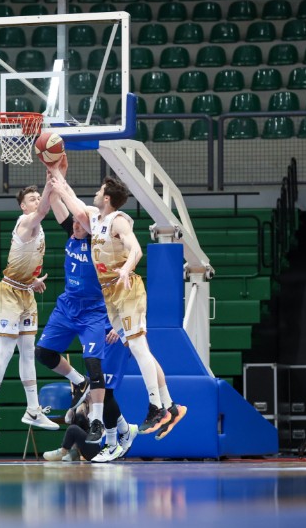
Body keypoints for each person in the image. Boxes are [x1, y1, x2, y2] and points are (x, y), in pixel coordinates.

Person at [50, 172, 187, 439]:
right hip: (110, 294)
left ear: (108, 197)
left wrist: (125, 269)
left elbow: (135, 249)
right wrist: (57, 174)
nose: (96, 193)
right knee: (139, 347)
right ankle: (169, 405)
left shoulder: (119, 220)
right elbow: (72, 201)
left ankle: (156, 407)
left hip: (127, 288)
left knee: (137, 346)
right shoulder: (94, 218)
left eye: (100, 190)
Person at [0, 184, 59, 440]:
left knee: (28, 352)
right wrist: (51, 180)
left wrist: (32, 281)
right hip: (9, 293)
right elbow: (44, 208)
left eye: (38, 198)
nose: (38, 201)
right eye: (32, 199)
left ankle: (32, 409)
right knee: (6, 350)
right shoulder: (26, 221)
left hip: (26, 292)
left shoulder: (38, 225)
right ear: (23, 206)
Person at [35, 166, 109, 444]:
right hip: (67, 306)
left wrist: (63, 182)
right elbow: (57, 205)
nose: (75, 226)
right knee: (43, 353)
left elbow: (80, 215)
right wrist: (51, 180)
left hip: (93, 310)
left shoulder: (95, 241)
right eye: (74, 225)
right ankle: (79, 381)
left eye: (80, 224)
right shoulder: (72, 234)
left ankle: (98, 422)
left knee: (94, 363)